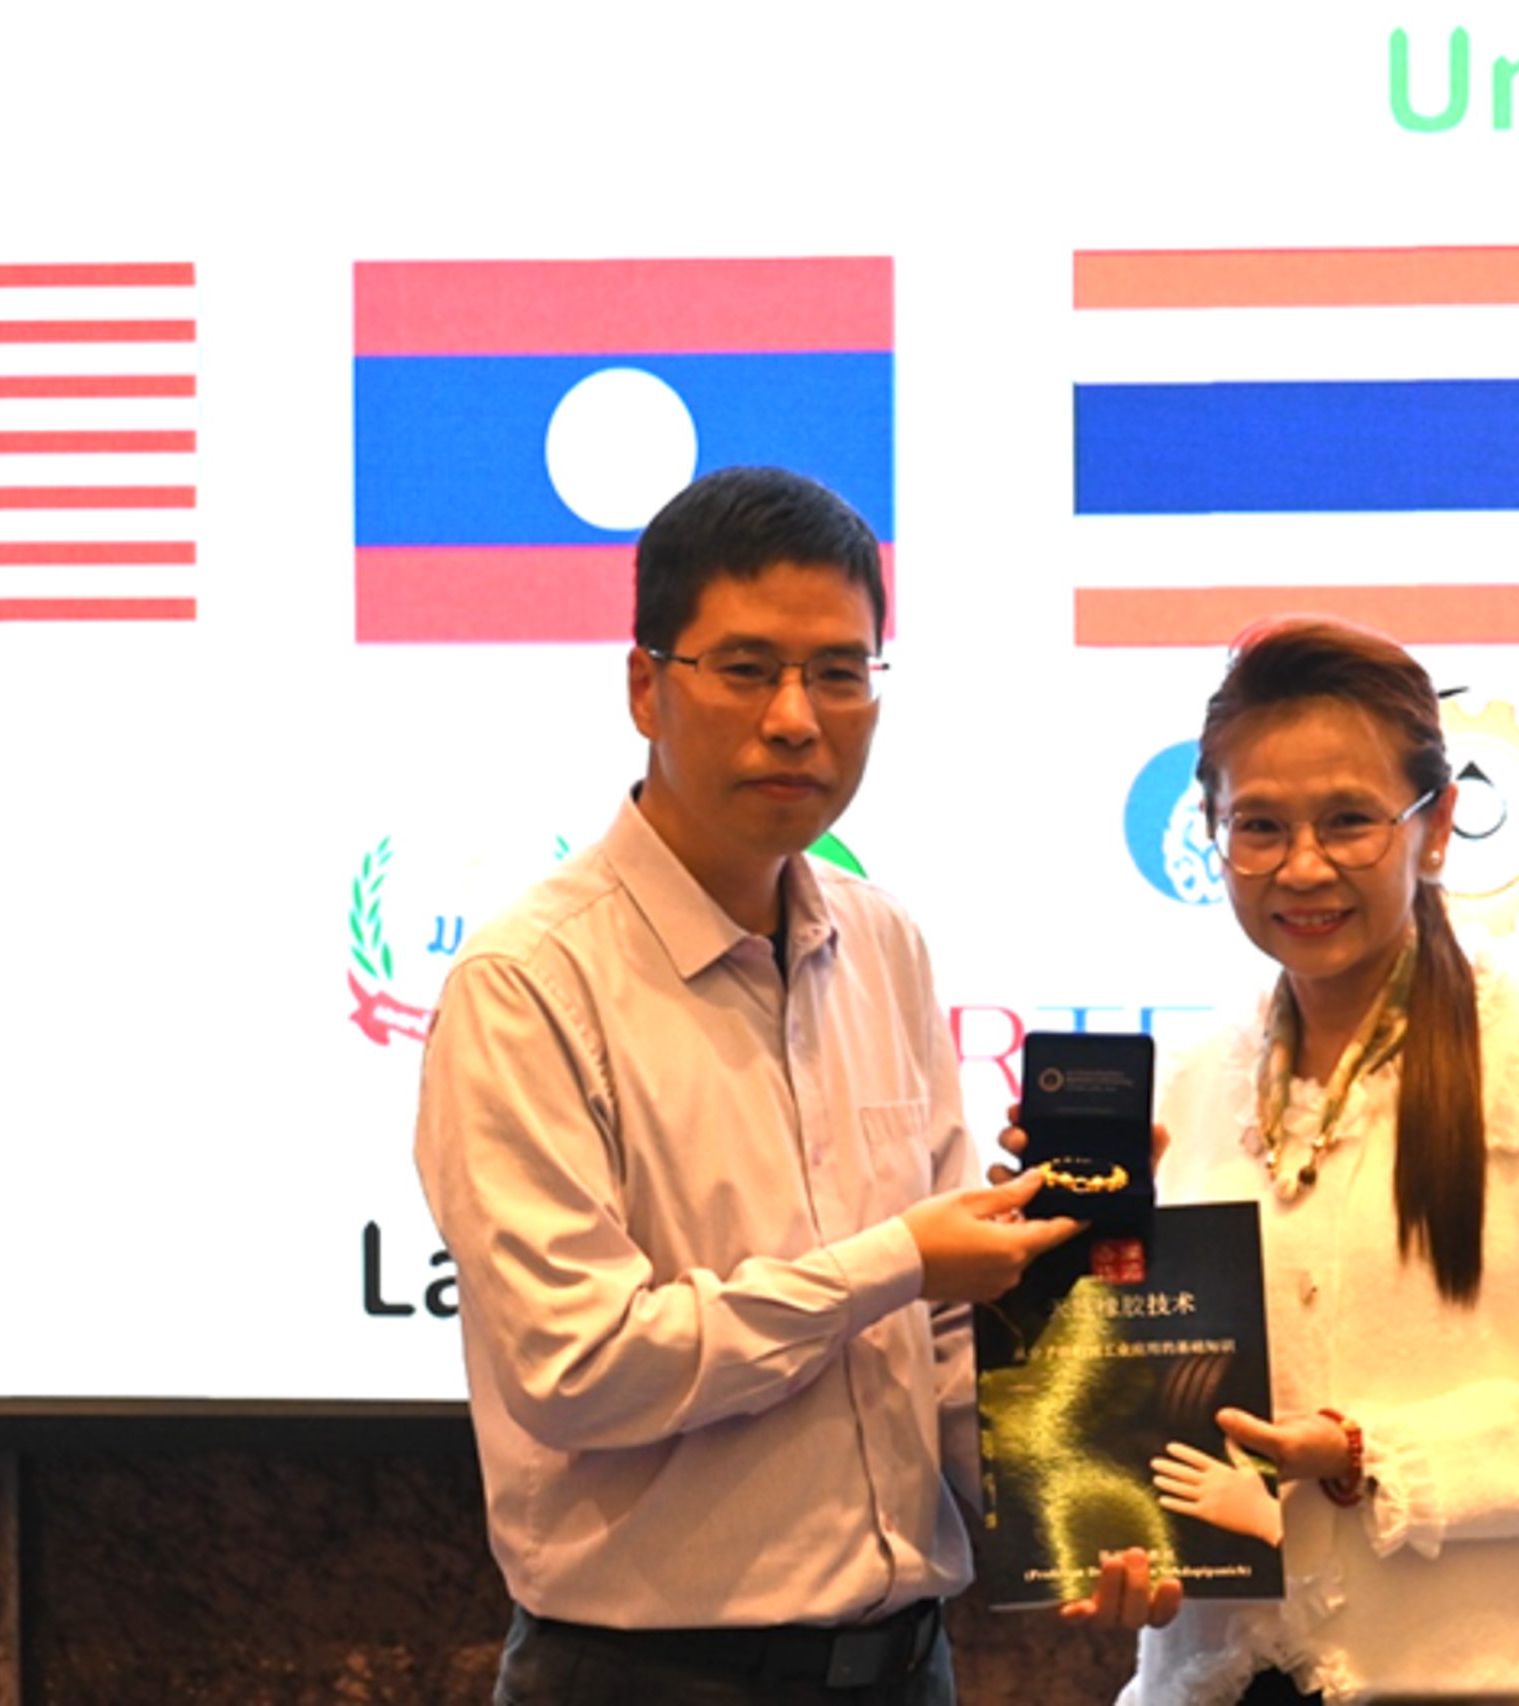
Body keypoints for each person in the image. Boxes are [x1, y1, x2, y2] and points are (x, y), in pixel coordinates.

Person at [414, 465, 1095, 1705]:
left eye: (839, 672)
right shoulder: (531, 981)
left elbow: (942, 1333)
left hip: (906, 1665)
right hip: (648, 1677)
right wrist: (897, 1259)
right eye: (746, 668)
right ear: (645, 684)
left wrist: (1087, 1511)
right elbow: (579, 1365)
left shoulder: (883, 941)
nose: (796, 717)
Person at [1106, 618, 1519, 1704]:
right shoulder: (1187, 1080)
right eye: (1258, 825)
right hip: (1218, 1679)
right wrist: (1114, 1533)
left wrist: (1365, 1454)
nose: (1303, 865)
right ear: (1211, 833)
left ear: (1434, 827)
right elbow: (1142, 1420)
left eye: (1349, 820)